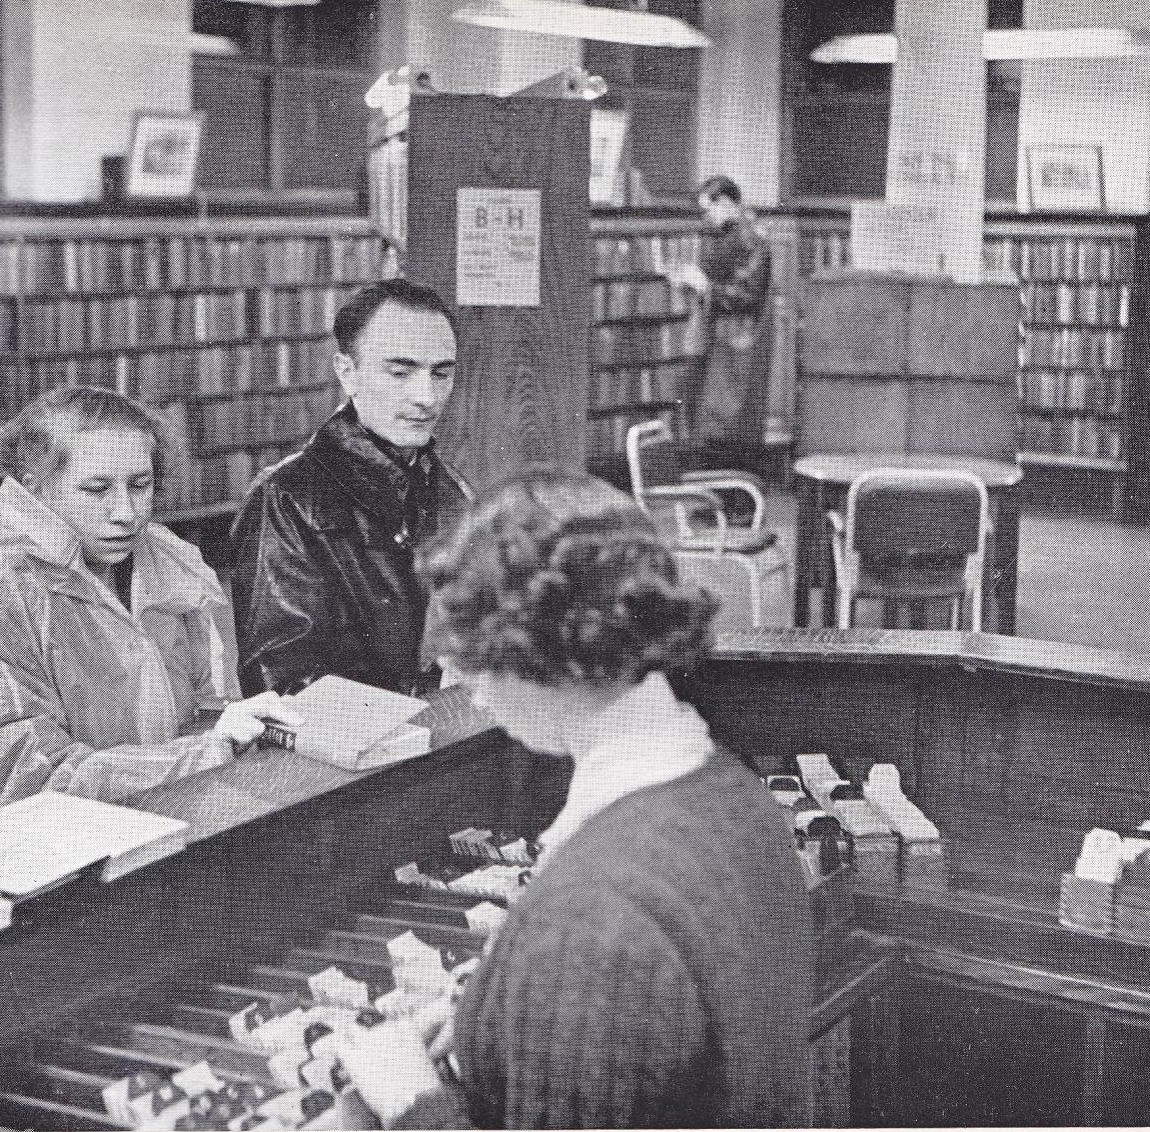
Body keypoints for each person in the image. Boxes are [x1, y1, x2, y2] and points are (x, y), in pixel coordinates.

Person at [336, 466, 815, 1129]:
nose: (469, 687)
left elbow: (600, 956)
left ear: (540, 650)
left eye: (476, 654)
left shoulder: (589, 924)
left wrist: (412, 1102)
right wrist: (505, 1023)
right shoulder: (735, 797)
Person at [0, 386, 298, 816]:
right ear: (36, 488)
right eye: (97, 489)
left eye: (140, 485)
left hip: (168, 813)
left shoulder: (171, 569)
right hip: (44, 850)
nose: (125, 513)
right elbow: (29, 784)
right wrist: (205, 752)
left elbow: (206, 706)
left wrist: (237, 732)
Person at [230, 277, 471, 696]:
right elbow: (281, 682)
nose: (426, 397)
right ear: (348, 372)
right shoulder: (287, 497)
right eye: (401, 372)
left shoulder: (452, 491)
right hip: (355, 752)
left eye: (441, 374)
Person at [667, 174, 773, 477]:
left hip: (737, 341)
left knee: (725, 420)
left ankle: (730, 500)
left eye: (708, 209)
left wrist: (703, 286)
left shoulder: (752, 239)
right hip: (719, 337)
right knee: (710, 417)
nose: (707, 218)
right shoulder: (730, 236)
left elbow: (748, 294)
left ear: (726, 203)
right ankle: (717, 496)